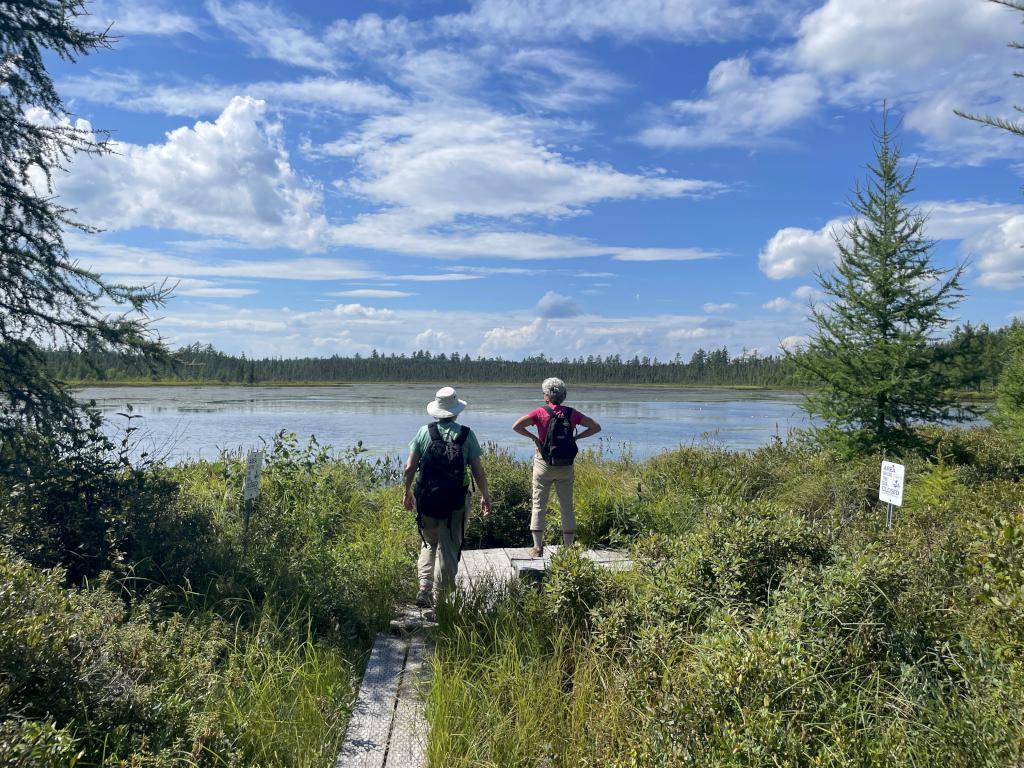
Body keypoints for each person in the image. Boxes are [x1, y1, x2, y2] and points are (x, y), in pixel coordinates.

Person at [404, 386, 492, 607]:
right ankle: (441, 597)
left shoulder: (424, 432)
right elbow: (478, 471)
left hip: (427, 499)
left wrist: (406, 492)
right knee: (450, 545)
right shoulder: (466, 434)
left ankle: (424, 589)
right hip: (456, 501)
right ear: (456, 411)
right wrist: (485, 496)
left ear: (435, 410)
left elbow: (409, 468)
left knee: (429, 543)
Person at [512, 377, 601, 558]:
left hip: (543, 463)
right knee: (566, 505)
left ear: (546, 396)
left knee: (538, 505)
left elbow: (517, 426)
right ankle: (568, 549)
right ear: (563, 396)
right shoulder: (572, 413)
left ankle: (537, 549)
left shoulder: (539, 412)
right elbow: (595, 427)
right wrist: (576, 438)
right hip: (565, 465)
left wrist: (535, 438)